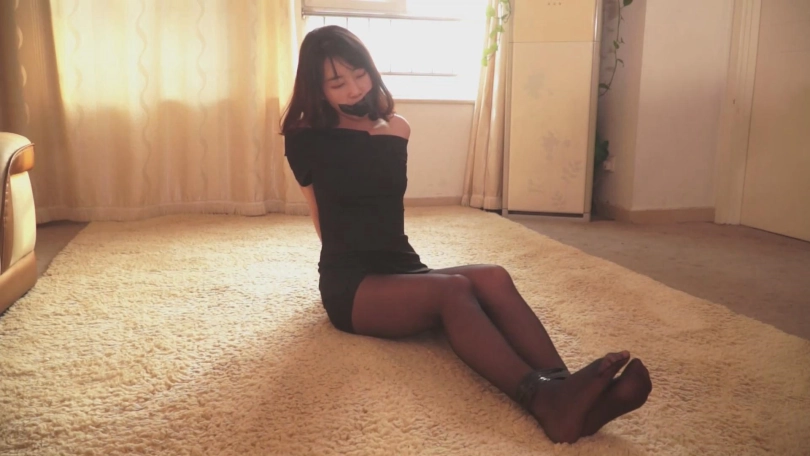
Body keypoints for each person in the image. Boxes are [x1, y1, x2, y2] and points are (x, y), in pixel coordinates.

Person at [280, 25, 652, 444]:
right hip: (351, 283)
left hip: (401, 264)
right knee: (452, 290)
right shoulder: (304, 138)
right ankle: (544, 400)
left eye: (359, 73)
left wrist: (405, 276)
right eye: (337, 82)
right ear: (317, 88)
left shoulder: (396, 127)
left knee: (493, 276)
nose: (354, 88)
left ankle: (569, 390)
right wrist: (342, 269)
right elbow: (318, 213)